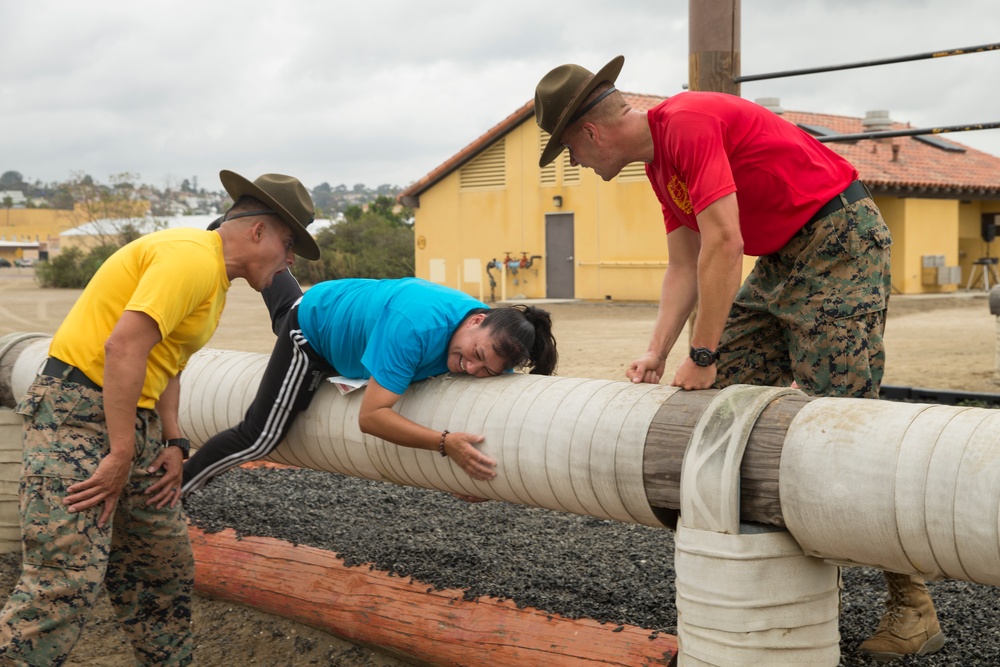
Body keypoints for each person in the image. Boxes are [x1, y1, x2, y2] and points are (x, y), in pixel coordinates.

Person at [534, 56, 942, 661]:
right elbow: (684, 263)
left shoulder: (689, 123)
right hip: (782, 258)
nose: (575, 163)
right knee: (728, 399)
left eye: (569, 148)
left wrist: (702, 350)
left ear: (592, 132)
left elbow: (725, 243)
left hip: (838, 242)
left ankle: (912, 604)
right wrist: (657, 351)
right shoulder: (659, 162)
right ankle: (772, 549)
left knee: (848, 424)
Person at [0, 170, 320, 666]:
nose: (290, 260)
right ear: (258, 232)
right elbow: (122, 347)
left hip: (134, 419)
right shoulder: (190, 258)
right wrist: (120, 453)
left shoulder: (213, 281)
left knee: (161, 569)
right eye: (288, 243)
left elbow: (165, 360)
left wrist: (174, 440)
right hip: (76, 414)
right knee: (63, 583)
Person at [180, 273, 558, 496]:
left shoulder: (492, 340)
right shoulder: (415, 327)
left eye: (485, 370)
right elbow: (372, 417)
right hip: (316, 331)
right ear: (476, 320)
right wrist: (445, 444)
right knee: (260, 435)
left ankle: (274, 268)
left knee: (283, 315)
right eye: (473, 353)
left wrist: (470, 481)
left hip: (352, 318)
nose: (470, 366)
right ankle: (174, 489)